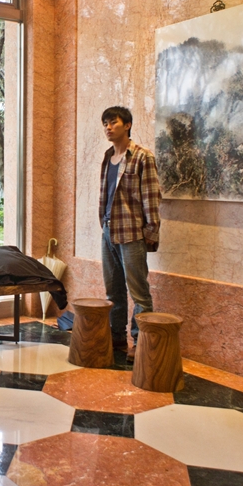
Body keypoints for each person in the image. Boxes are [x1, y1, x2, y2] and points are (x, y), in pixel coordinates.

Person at [98, 106, 161, 363]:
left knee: (139, 292)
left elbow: (151, 197)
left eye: (113, 122)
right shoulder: (107, 157)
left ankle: (140, 341)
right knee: (113, 291)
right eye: (105, 123)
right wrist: (103, 225)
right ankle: (116, 338)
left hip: (132, 233)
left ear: (127, 125)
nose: (108, 127)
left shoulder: (143, 157)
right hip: (108, 231)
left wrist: (151, 232)